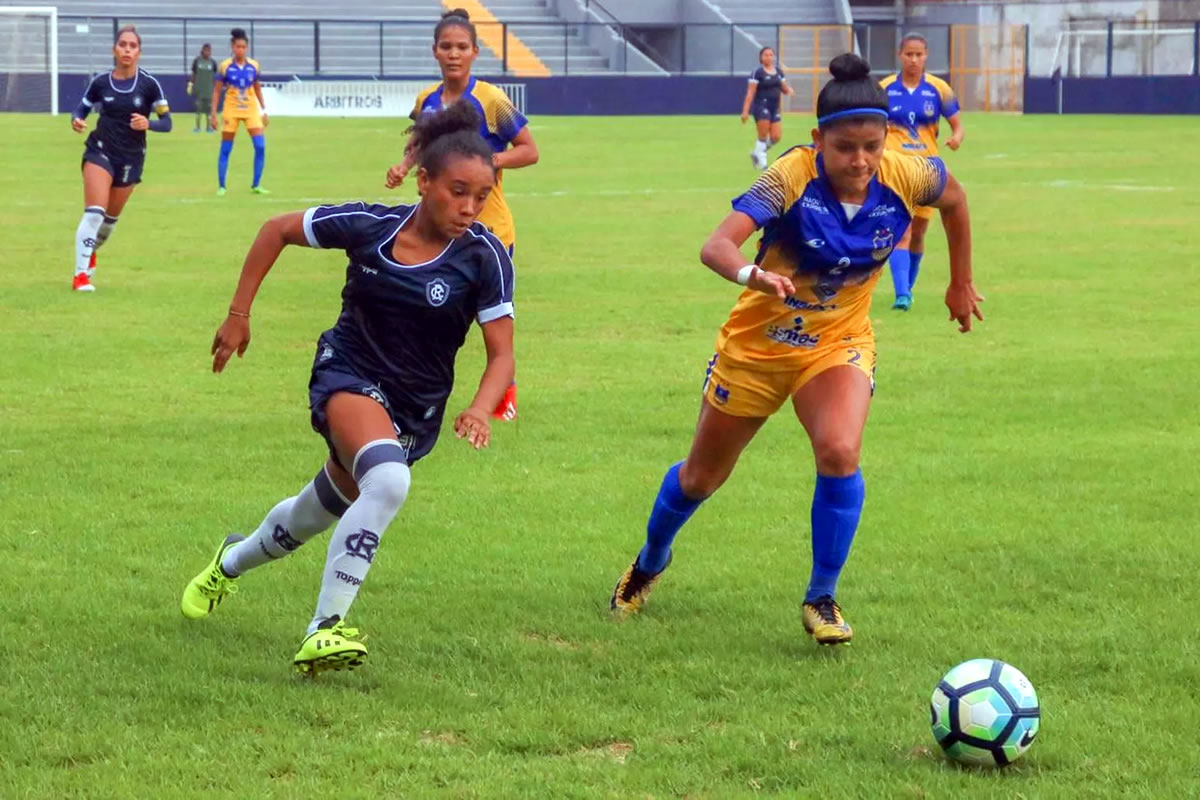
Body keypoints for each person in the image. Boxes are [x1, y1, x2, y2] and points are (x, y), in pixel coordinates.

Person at [609, 53, 983, 645]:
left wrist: (959, 280)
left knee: (839, 450)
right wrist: (749, 276)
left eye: (871, 145)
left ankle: (822, 597)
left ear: (886, 139)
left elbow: (957, 202)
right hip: (757, 347)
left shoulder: (909, 173)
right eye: (844, 148)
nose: (859, 160)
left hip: (837, 341)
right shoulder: (789, 176)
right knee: (702, 477)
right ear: (818, 141)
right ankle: (652, 559)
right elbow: (717, 246)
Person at [180, 103, 515, 676]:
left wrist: (482, 408)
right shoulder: (370, 226)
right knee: (387, 481)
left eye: (481, 196)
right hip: (347, 373)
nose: (469, 207)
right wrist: (239, 314)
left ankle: (228, 563)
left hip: (415, 410)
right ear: (423, 180)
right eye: (458, 191)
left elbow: (502, 353)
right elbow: (276, 229)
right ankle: (323, 629)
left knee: (313, 515)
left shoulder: (485, 258)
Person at [385, 8, 537, 421]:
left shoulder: (490, 100)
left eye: (462, 47)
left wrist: (487, 161)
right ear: (435, 51)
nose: (454, 54)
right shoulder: (427, 101)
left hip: (489, 229)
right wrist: (404, 166)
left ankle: (503, 392)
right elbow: (420, 144)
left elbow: (530, 149)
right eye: (447, 47)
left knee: (489, 315)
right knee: (428, 307)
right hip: (438, 228)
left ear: (474, 53)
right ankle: (409, 387)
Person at [69, 26, 170, 292]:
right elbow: (82, 108)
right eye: (122, 44)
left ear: (139, 52)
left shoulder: (149, 85)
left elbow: (167, 122)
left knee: (107, 224)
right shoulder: (101, 82)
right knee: (94, 214)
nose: (127, 49)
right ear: (115, 49)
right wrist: (77, 120)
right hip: (100, 151)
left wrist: (148, 123)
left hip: (131, 158)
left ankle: (90, 251)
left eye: (132, 46)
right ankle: (81, 276)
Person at [879, 33, 965, 310]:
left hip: (928, 170)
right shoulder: (884, 89)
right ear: (900, 55)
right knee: (901, 232)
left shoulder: (939, 89)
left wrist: (957, 138)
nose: (914, 60)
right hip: (895, 169)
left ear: (926, 56)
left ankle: (908, 287)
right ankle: (902, 294)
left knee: (918, 234)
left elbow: (957, 125)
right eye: (909, 54)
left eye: (919, 54)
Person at [211, 28, 268, 196]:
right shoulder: (225, 67)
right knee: (226, 148)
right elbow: (216, 91)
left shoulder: (254, 66)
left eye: (243, 47)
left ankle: (256, 185)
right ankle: (222, 186)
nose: (240, 50)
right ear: (232, 47)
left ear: (247, 48)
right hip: (231, 109)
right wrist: (213, 114)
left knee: (260, 146)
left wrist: (264, 109)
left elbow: (257, 88)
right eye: (237, 47)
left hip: (250, 109)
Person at [741, 46, 795, 171]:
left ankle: (757, 153)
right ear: (761, 57)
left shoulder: (779, 72)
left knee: (776, 137)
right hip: (761, 106)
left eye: (771, 55)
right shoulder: (757, 73)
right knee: (763, 135)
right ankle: (763, 165)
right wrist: (745, 111)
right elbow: (750, 93)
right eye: (766, 55)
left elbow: (784, 88)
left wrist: (789, 91)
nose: (769, 57)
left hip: (774, 107)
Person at [189, 43, 218, 134]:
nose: (208, 52)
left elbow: (215, 76)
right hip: (199, 89)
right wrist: (191, 84)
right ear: (202, 51)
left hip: (209, 90)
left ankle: (208, 127)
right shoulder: (197, 61)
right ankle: (197, 127)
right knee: (198, 108)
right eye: (206, 50)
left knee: (209, 109)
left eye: (209, 51)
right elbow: (194, 74)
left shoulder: (212, 62)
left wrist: (216, 87)